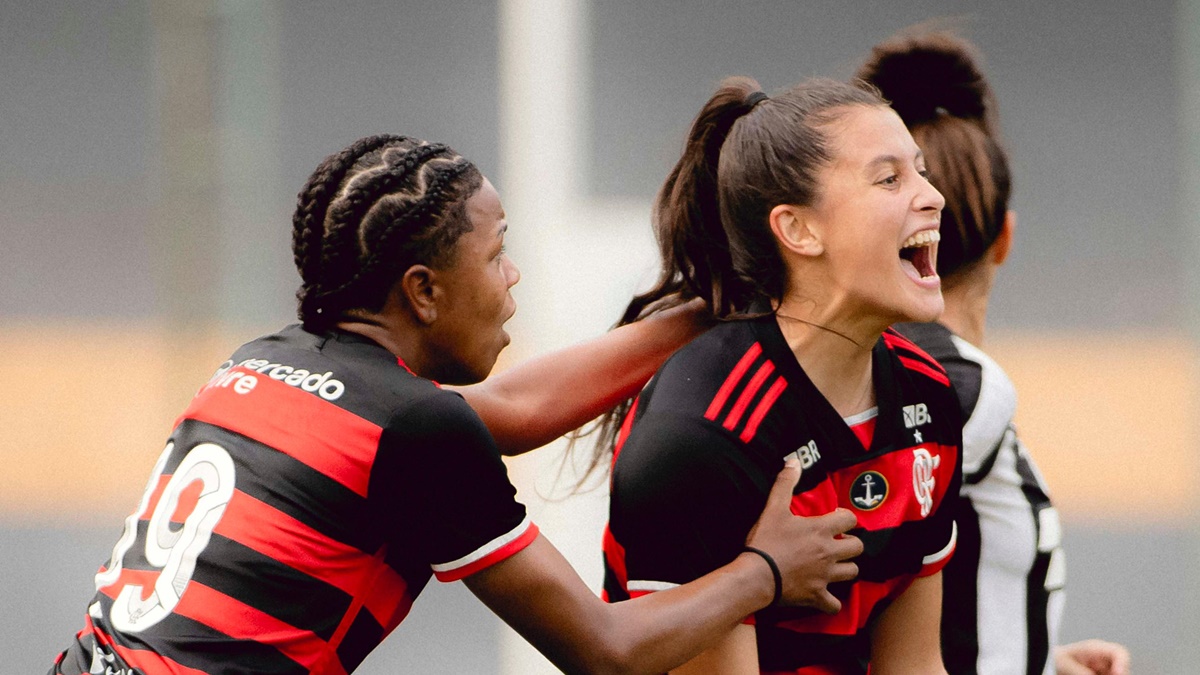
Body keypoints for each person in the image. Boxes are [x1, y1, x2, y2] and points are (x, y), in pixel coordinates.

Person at [49, 134, 865, 675]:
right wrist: (766, 571)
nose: (512, 278)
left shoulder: (264, 365)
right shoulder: (413, 428)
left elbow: (510, 406)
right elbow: (606, 651)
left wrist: (708, 310)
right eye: (498, 253)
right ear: (425, 291)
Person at [599, 77, 962, 673]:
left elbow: (916, 665)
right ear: (798, 229)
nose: (932, 197)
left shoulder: (930, 393)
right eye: (889, 178)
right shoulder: (700, 440)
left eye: (921, 172)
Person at [856, 29, 1132, 675]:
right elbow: (853, 571)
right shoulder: (959, 383)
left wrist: (1039, 653)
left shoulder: (913, 373)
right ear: (1005, 236)